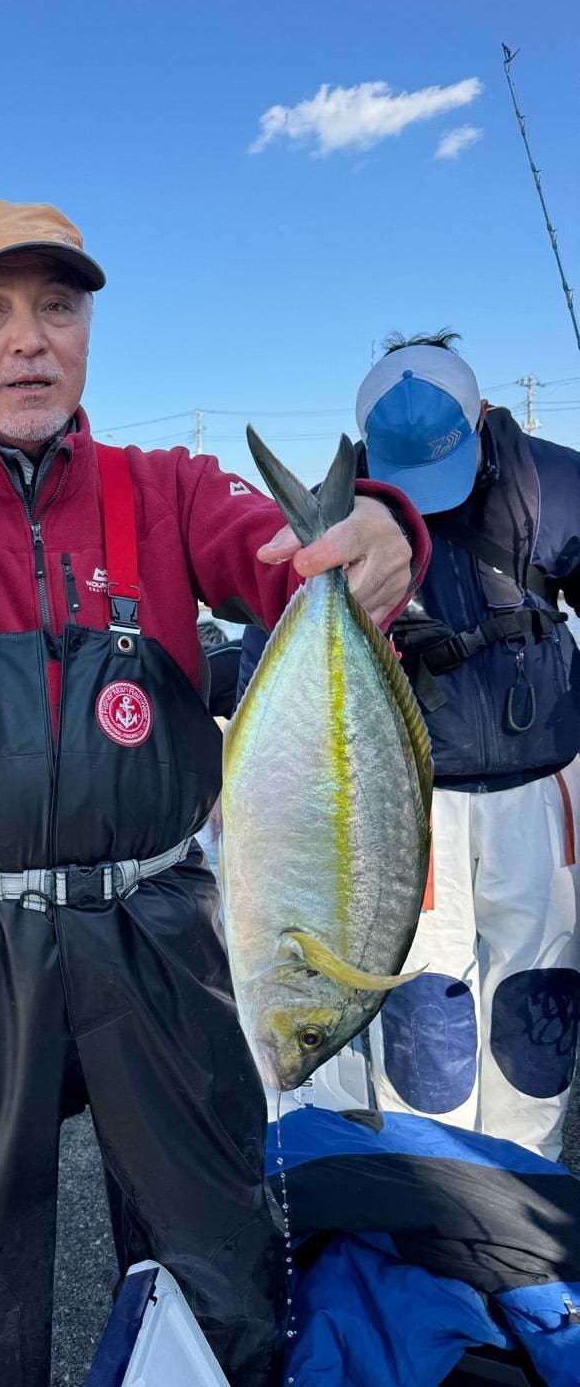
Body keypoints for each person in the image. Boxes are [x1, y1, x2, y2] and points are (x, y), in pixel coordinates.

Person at [0, 200, 426, 1387]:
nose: (29, 338)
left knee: (212, 1247)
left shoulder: (171, 489)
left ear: (90, 330)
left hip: (158, 918)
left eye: (58, 306)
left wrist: (379, 534)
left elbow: (281, 558)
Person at [239, 331, 580, 1160]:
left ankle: (525, 1182)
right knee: (427, 1018)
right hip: (405, 807)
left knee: (541, 1002)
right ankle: (437, 1189)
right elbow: (270, 644)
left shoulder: (559, 483)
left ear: (483, 415)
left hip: (545, 795)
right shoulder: (348, 518)